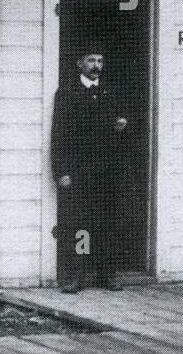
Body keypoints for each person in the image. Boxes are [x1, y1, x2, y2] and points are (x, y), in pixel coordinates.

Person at [50, 42, 129, 293]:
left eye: (100, 61)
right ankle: (77, 274)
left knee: (107, 222)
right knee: (80, 224)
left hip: (107, 171)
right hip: (79, 171)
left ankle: (107, 274)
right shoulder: (67, 93)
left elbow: (123, 127)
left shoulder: (110, 92)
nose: (96, 66)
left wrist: (121, 126)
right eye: (91, 60)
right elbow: (59, 134)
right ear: (80, 64)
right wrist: (61, 171)